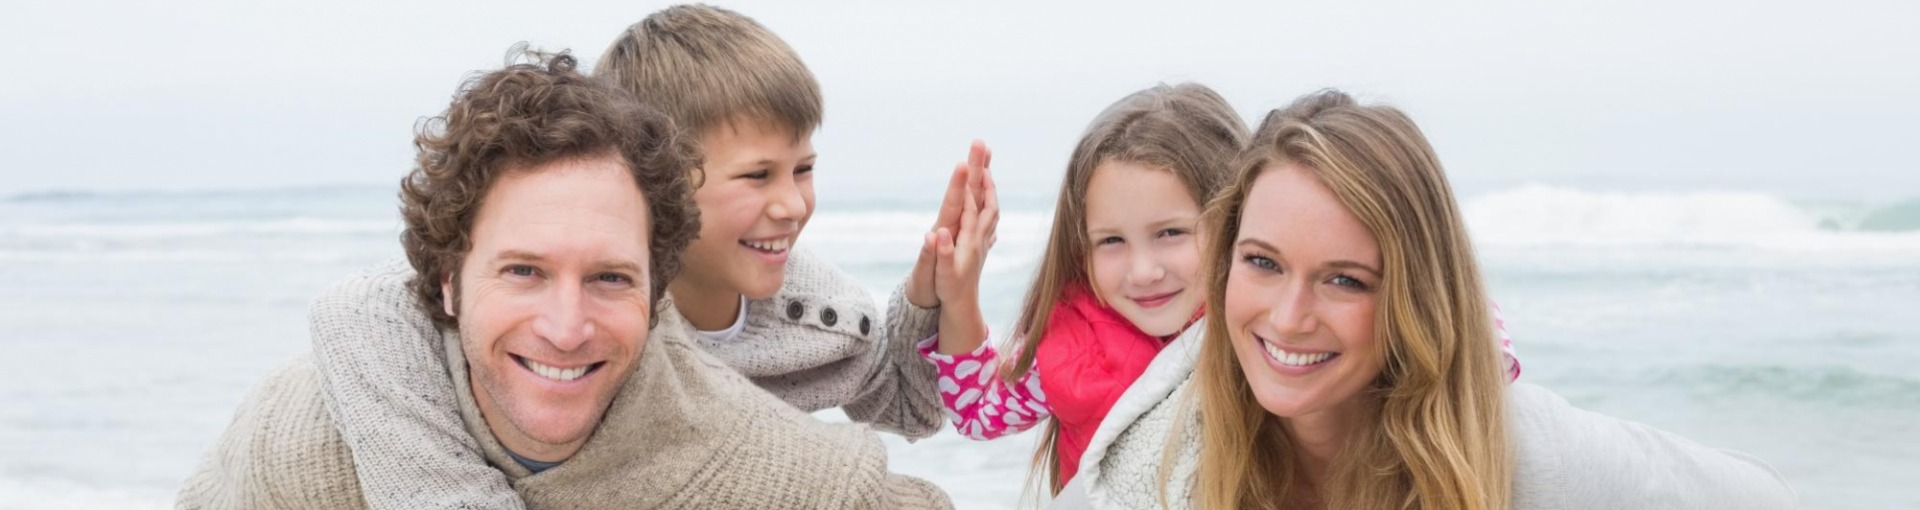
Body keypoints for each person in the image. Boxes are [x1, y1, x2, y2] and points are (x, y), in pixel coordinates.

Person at [177, 51, 951, 510]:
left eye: (611, 278)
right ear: (447, 281)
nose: (567, 325)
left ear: (656, 296)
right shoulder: (306, 441)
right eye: (524, 271)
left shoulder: (726, 439)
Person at [1074, 90, 1795, 509]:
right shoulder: (1159, 464)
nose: (1289, 316)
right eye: (1263, 263)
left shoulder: (1516, 448)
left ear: (1413, 297)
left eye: (1345, 279)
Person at [923, 83, 1523, 496]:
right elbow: (979, 412)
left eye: (1171, 234)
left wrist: (1475, 355)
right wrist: (960, 293)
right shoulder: (1069, 340)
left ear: (1236, 221)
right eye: (1111, 242)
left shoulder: (1271, 322)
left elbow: (1454, 322)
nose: (1143, 271)